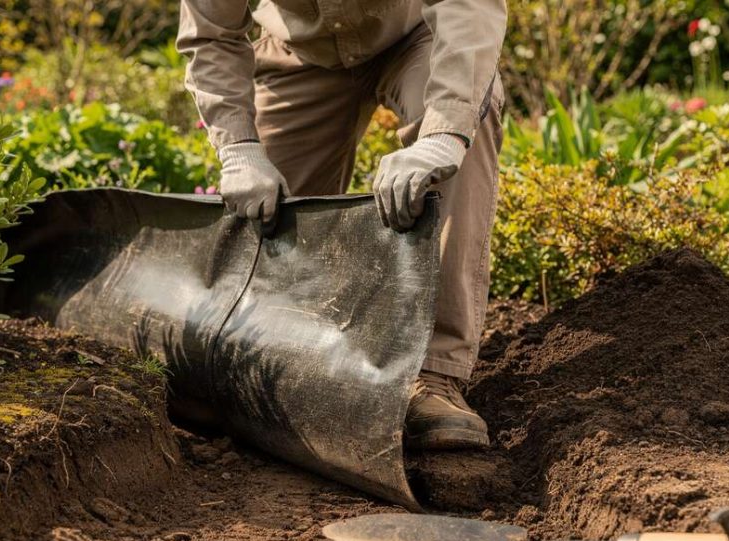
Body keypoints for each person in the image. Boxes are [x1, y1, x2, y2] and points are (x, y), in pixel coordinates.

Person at [178, 0, 506, 451]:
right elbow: (211, 32)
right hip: (302, 50)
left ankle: (432, 372)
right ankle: (296, 365)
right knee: (268, 224)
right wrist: (239, 149)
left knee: (468, 117)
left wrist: (444, 134)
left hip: (413, 36)